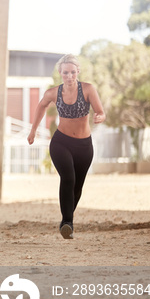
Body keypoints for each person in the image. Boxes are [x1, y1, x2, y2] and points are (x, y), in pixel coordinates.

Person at [27, 54, 105, 239]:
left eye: (72, 72)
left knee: (77, 186)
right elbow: (41, 106)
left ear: (77, 72)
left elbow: (101, 112)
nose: (69, 76)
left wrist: (99, 117)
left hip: (84, 145)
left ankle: (66, 220)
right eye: (65, 73)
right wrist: (33, 130)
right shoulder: (54, 92)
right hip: (61, 142)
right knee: (68, 178)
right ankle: (67, 223)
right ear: (60, 73)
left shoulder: (88, 89)